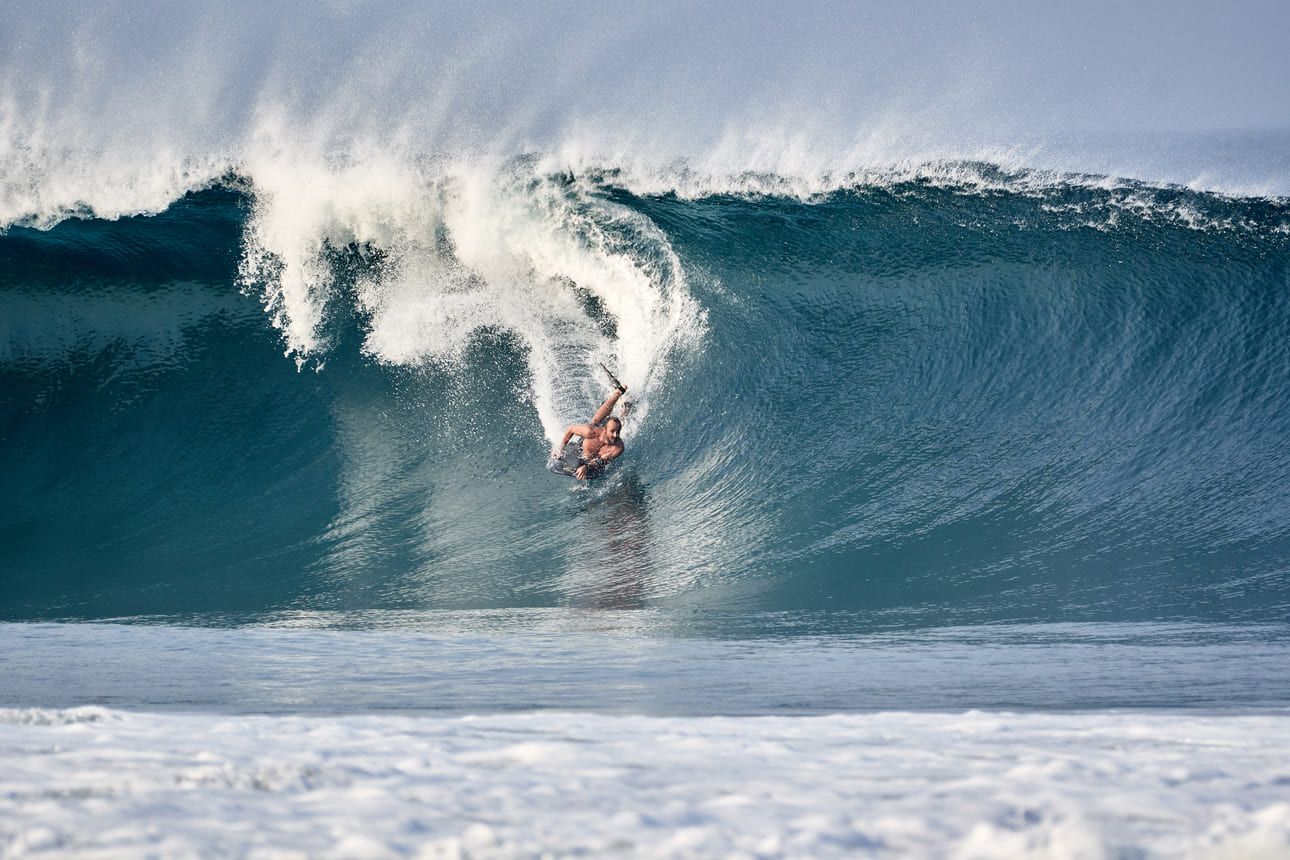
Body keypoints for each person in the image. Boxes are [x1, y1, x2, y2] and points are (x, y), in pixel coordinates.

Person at [552, 381, 628, 480]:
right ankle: (618, 392)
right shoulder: (591, 432)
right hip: (581, 448)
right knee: (596, 420)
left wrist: (586, 467)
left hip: (595, 463)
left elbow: (601, 461)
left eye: (617, 432)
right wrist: (560, 447)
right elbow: (571, 429)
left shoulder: (618, 447)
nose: (615, 435)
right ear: (604, 430)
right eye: (612, 431)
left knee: (619, 421)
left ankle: (626, 408)